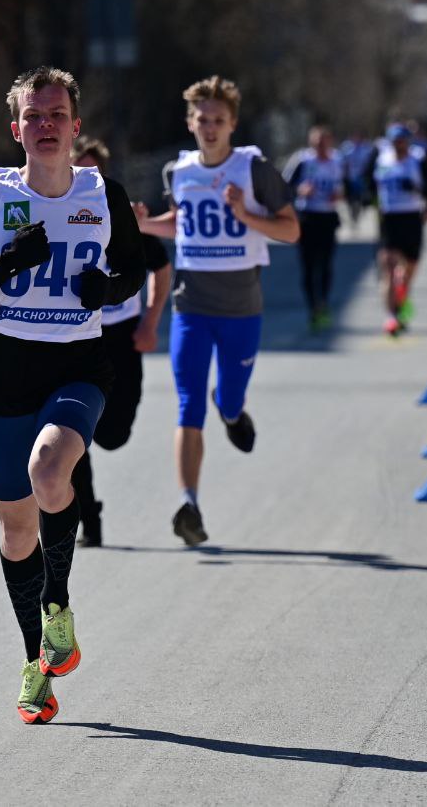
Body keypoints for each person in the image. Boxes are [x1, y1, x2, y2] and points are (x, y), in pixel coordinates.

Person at [0, 67, 146, 723]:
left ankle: (58, 606)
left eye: (57, 115)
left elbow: (133, 272)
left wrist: (102, 292)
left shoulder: (101, 192)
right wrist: (5, 266)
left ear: (77, 128)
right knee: (16, 527)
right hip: (2, 374)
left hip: (78, 367)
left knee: (51, 471)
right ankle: (38, 662)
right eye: (34, 115)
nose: (46, 126)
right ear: (16, 129)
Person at [136, 75, 299, 546]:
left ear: (233, 124)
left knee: (226, 398)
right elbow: (181, 225)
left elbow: (290, 231)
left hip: (242, 310)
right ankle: (190, 503)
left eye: (218, 121)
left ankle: (231, 412)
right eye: (202, 120)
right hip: (192, 307)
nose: (209, 128)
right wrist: (147, 223)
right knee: (187, 405)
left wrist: (246, 214)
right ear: (190, 123)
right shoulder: (179, 172)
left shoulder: (254, 170)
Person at [64, 136, 172, 548]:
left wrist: (151, 321)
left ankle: (88, 508)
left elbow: (161, 268)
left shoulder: (122, 214)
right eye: (80, 170)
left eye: (94, 171)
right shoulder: (57, 213)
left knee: (112, 434)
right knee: (72, 434)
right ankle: (88, 517)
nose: (87, 178)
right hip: (77, 338)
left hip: (123, 337)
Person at [368, 123, 427, 336]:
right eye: (395, 141)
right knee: (389, 269)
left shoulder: (417, 160)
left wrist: (425, 201)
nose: (398, 145)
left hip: (412, 218)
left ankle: (402, 300)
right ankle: (391, 316)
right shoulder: (381, 159)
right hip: (389, 218)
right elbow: (368, 182)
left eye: (402, 141)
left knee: (408, 271)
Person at [283, 126, 344, 332]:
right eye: (316, 142)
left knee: (326, 264)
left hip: (328, 217)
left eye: (324, 142)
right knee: (308, 266)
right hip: (307, 217)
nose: (320, 146)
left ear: (330, 142)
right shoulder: (302, 161)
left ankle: (323, 303)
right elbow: (283, 187)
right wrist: (300, 190)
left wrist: (340, 195)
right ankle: (313, 306)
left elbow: (348, 186)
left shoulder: (337, 161)